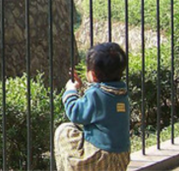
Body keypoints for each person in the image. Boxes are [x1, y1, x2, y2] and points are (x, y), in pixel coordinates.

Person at [54, 42, 131, 171]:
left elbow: (75, 112)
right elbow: (101, 100)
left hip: (100, 158)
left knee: (64, 130)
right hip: (121, 157)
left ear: (93, 75)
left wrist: (71, 90)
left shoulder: (95, 94)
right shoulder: (122, 93)